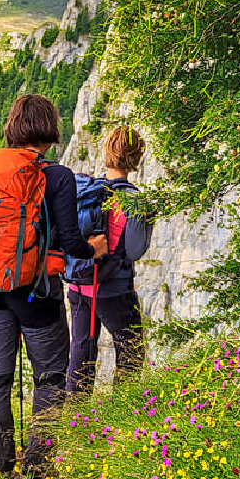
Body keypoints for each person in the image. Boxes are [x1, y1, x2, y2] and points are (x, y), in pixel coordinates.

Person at [0, 94, 107, 479]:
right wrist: (93, 248)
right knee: (48, 376)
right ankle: (38, 468)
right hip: (36, 292)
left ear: (14, 126)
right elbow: (70, 241)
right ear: (49, 129)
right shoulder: (56, 176)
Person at [66, 125, 153, 394]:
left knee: (81, 354)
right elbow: (135, 251)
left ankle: (75, 422)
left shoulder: (88, 191)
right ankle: (121, 418)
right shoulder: (133, 200)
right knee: (130, 352)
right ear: (137, 157)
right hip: (114, 288)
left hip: (79, 285)